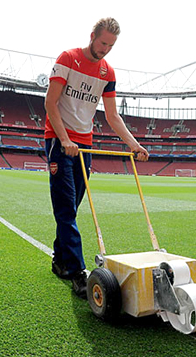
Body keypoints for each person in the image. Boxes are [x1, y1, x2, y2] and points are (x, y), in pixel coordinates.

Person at [44, 17, 149, 299]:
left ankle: (59, 258)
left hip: (85, 147)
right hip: (59, 142)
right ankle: (78, 272)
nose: (105, 49)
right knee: (65, 207)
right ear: (92, 36)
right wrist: (64, 138)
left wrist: (135, 145)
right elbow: (50, 102)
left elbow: (112, 116)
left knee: (71, 206)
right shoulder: (68, 59)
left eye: (111, 45)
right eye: (103, 43)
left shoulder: (107, 72)